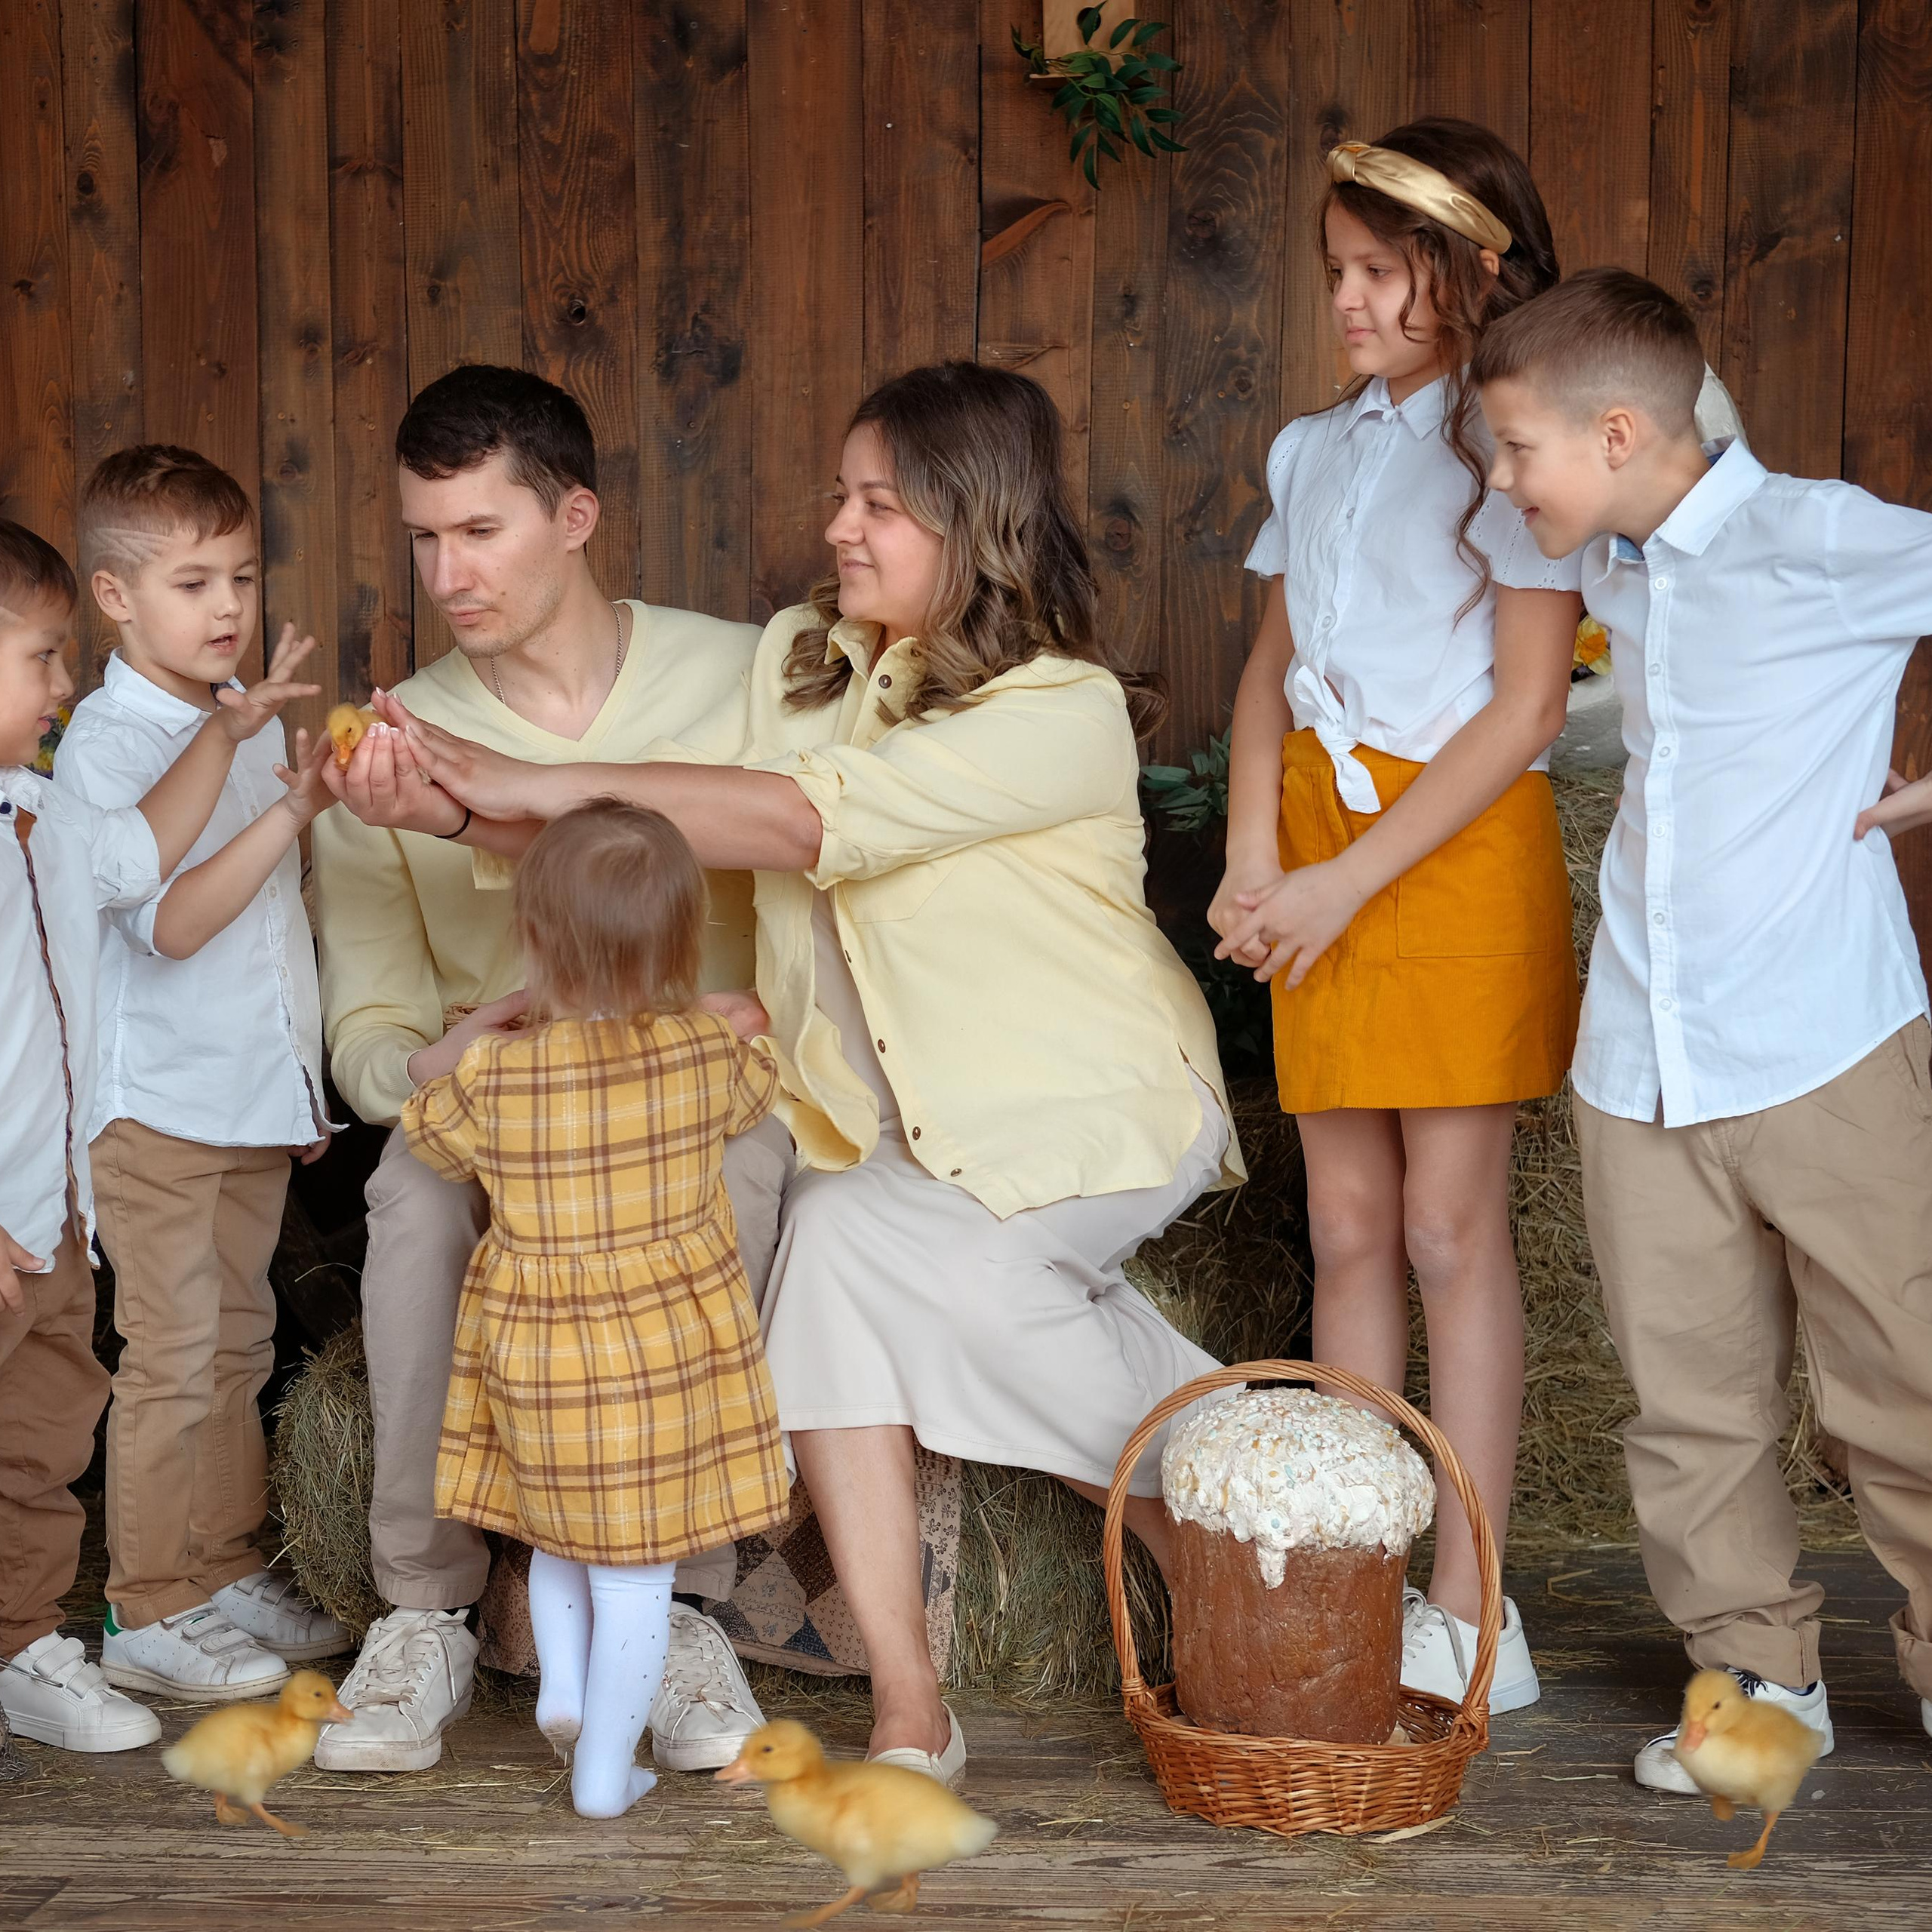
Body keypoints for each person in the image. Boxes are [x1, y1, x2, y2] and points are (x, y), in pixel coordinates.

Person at [343, 361, 1241, 1789]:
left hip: (1076, 1104)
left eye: (877, 504)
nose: (837, 527)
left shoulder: (1060, 710)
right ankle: (910, 1702)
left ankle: (1211, 1513)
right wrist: (458, 810)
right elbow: (646, 842)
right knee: (827, 1281)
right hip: (881, 1126)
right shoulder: (802, 670)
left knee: (966, 1285)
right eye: (842, 495)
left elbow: (793, 821)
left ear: (974, 519)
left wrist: (505, 781)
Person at [1472, 266, 1932, 1785]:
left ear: (1615, 432)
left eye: (1516, 449)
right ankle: (1757, 1678)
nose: (1499, 479)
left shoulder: (1821, 537)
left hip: (1825, 1042)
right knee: (1687, 1407)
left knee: (1907, 1382)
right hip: (1639, 1061)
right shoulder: (1611, 566)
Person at [310, 365, 789, 1775]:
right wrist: (439, 1063)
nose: (446, 575)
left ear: (574, 515)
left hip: (698, 1086)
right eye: (424, 538)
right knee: (412, 1198)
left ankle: (679, 1604)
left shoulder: (749, 677)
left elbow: (825, 877)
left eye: (480, 531)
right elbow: (366, 1027)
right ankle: (424, 1609)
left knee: (737, 1166)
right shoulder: (382, 756)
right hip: (497, 1106)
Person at [1208, 121, 1583, 1712]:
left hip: (1450, 846)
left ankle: (1471, 1604)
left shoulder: (1509, 445)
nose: (1349, 300)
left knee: (1445, 1226)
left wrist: (1346, 879)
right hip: (1312, 842)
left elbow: (1527, 705)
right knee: (1348, 1223)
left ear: (1467, 271)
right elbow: (1266, 673)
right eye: (1336, 272)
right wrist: (1252, 855)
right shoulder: (1311, 449)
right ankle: (1354, 1577)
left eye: (1379, 272)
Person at [401, 800, 789, 1817]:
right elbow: (757, 1085)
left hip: (538, 1353)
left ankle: (566, 1693)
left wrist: (472, 1035)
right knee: (637, 1575)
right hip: (665, 1354)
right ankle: (605, 1776)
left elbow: (427, 1119)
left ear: (534, 938)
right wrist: (729, 1018)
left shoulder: (498, 1074)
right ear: (681, 941)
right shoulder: (700, 1053)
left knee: (560, 1536)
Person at [0, 517, 320, 1752]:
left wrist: (231, 736)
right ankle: (134, 1606)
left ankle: (40, 1632)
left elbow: (155, 867)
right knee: (148, 1369)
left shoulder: (48, 810)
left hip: (71, 1191)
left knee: (52, 1428)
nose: (63, 683)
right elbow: (170, 922)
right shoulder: (70, 775)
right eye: (39, 658)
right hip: (57, 1175)